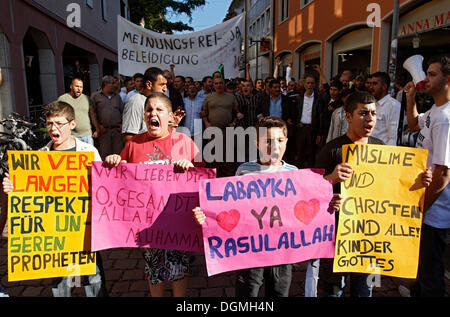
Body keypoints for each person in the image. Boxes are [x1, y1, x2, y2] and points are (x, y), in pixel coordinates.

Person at [193, 116, 343, 297]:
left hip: (283, 254)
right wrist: (207, 216)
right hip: (249, 253)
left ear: (286, 142)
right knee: (247, 294)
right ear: (257, 143)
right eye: (268, 141)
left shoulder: (293, 174)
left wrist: (328, 204)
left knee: (279, 292)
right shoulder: (244, 171)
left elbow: (306, 208)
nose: (275, 147)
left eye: (280, 140)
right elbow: (227, 208)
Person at [315, 91, 432, 297]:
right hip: (337, 237)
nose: (370, 119)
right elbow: (312, 192)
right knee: (334, 289)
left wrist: (420, 182)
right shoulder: (331, 151)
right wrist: (330, 179)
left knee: (365, 289)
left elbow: (395, 190)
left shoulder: (381, 149)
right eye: (363, 113)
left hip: (370, 238)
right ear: (348, 117)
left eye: (373, 113)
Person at [2, 101, 108, 297]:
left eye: (59, 123)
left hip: (84, 230)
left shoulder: (88, 152)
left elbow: (103, 188)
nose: (53, 128)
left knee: (93, 277)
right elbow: (28, 192)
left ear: (72, 124)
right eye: (50, 123)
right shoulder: (40, 156)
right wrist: (12, 188)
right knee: (61, 281)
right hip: (55, 234)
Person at [105, 92, 203, 297]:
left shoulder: (185, 142)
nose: (153, 114)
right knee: (154, 268)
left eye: (159, 109)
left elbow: (202, 179)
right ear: (144, 116)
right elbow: (121, 179)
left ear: (170, 117)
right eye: (149, 110)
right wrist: (115, 162)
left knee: (179, 267)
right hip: (148, 225)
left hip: (178, 222)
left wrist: (190, 167)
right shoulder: (133, 144)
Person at [405, 55, 450, 297]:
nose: (426, 78)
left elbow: (443, 175)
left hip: (434, 211)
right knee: (423, 268)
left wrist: (422, 208)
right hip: (427, 205)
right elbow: (413, 125)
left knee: (431, 272)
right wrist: (411, 98)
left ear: (447, 80)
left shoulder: (445, 119)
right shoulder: (436, 110)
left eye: (432, 74)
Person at [122, 67, 168, 144]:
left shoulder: (154, 101)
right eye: (162, 85)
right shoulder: (136, 102)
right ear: (149, 84)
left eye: (166, 85)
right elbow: (128, 137)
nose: (165, 89)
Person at [293, 74, 324, 168]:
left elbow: (320, 117)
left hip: (312, 130)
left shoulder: (319, 99)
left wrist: (319, 133)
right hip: (300, 129)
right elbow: (295, 114)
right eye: (308, 83)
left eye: (312, 83)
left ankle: (310, 175)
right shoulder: (299, 98)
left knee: (311, 155)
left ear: (315, 85)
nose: (310, 85)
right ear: (304, 84)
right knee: (299, 154)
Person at [57, 78, 100, 145]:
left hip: (87, 135)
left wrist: (97, 129)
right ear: (71, 86)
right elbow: (58, 117)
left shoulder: (87, 99)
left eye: (81, 87)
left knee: (89, 155)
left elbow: (92, 115)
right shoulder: (63, 99)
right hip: (71, 136)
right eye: (77, 86)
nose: (79, 89)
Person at [91, 75, 124, 159]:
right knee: (104, 156)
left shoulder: (117, 97)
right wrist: (98, 127)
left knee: (118, 155)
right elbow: (92, 113)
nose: (115, 85)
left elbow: (123, 112)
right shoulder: (96, 96)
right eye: (113, 83)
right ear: (105, 84)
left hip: (117, 132)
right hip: (103, 132)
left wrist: (122, 125)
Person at [368, 72, 401, 145]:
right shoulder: (372, 104)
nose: (371, 87)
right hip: (370, 151)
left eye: (374, 84)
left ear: (384, 86)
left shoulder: (393, 106)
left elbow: (393, 137)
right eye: (370, 84)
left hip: (383, 153)